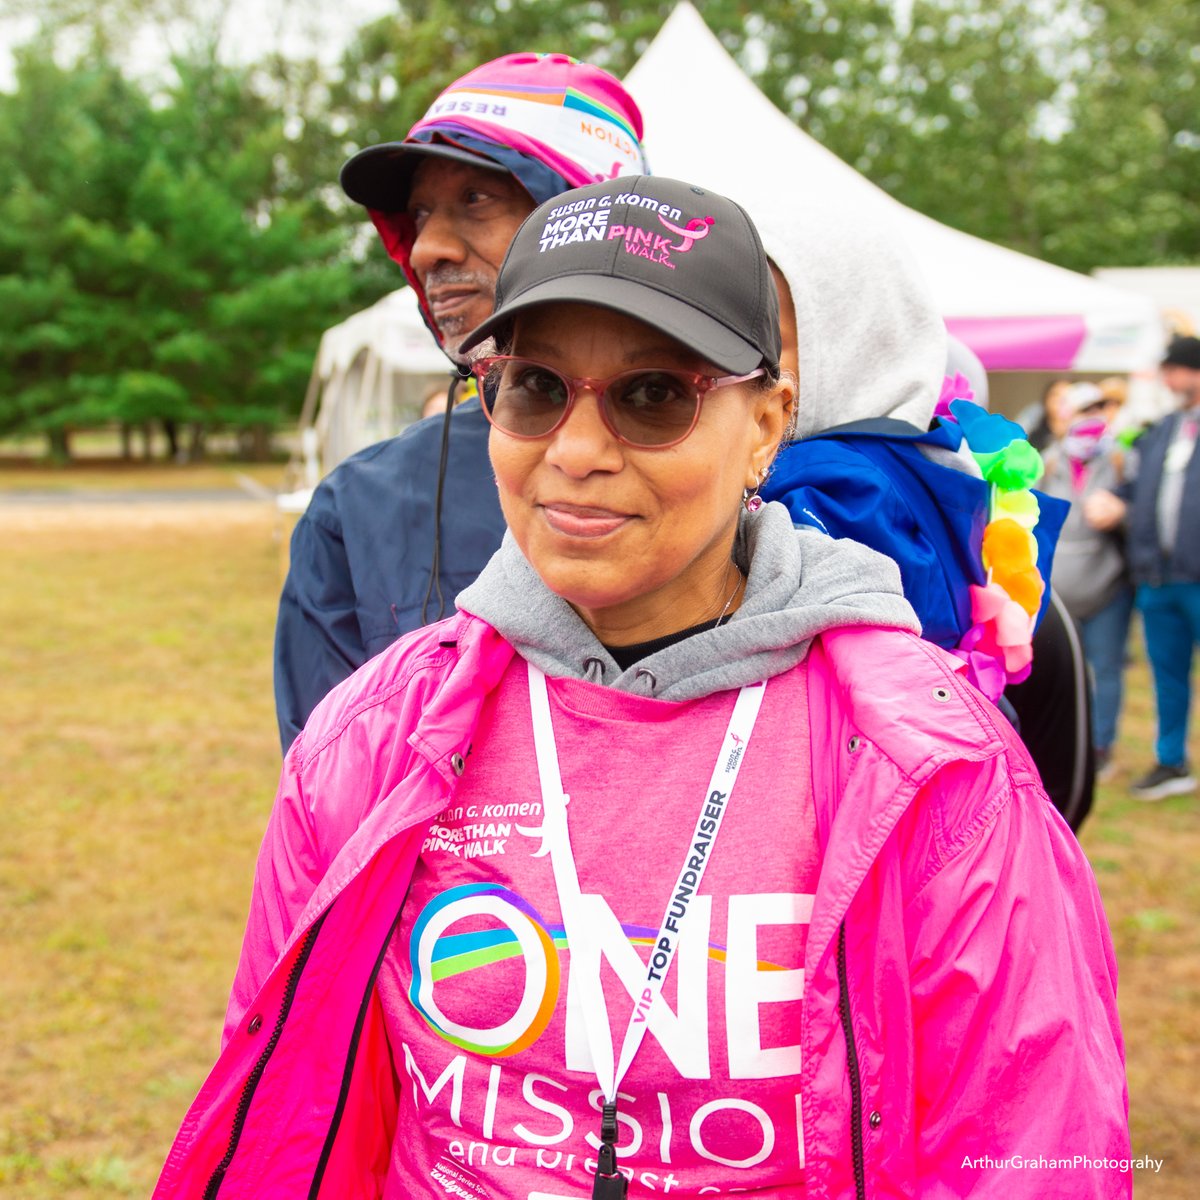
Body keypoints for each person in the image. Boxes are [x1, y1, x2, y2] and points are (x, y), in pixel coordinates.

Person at [155, 176, 1128, 1199]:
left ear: (766, 425)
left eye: (653, 395)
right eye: (534, 388)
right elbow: (292, 1115)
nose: (576, 453)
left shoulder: (937, 769)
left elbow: (1032, 1149)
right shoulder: (372, 737)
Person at [273, 52, 649, 752]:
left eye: (477, 199)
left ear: (593, 219)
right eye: (418, 213)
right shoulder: (357, 509)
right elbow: (324, 799)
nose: (425, 250)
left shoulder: (739, 470)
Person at [751, 196, 1094, 830]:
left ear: (850, 339)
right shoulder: (932, 458)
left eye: (764, 338)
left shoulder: (826, 486)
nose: (733, 365)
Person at [1087, 334, 1200, 799]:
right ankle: (1171, 760)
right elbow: (1139, 489)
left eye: (1174, 369)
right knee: (1167, 675)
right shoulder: (1163, 430)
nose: (1168, 378)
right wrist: (1117, 502)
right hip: (1158, 578)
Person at [1040, 383, 1134, 779]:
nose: (1092, 416)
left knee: (1106, 668)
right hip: (1057, 590)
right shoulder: (1046, 462)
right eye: (1084, 408)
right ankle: (1059, 743)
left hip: (1107, 587)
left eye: (1099, 407)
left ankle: (1101, 746)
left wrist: (1122, 512)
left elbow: (1141, 511)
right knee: (1057, 670)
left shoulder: (1121, 459)